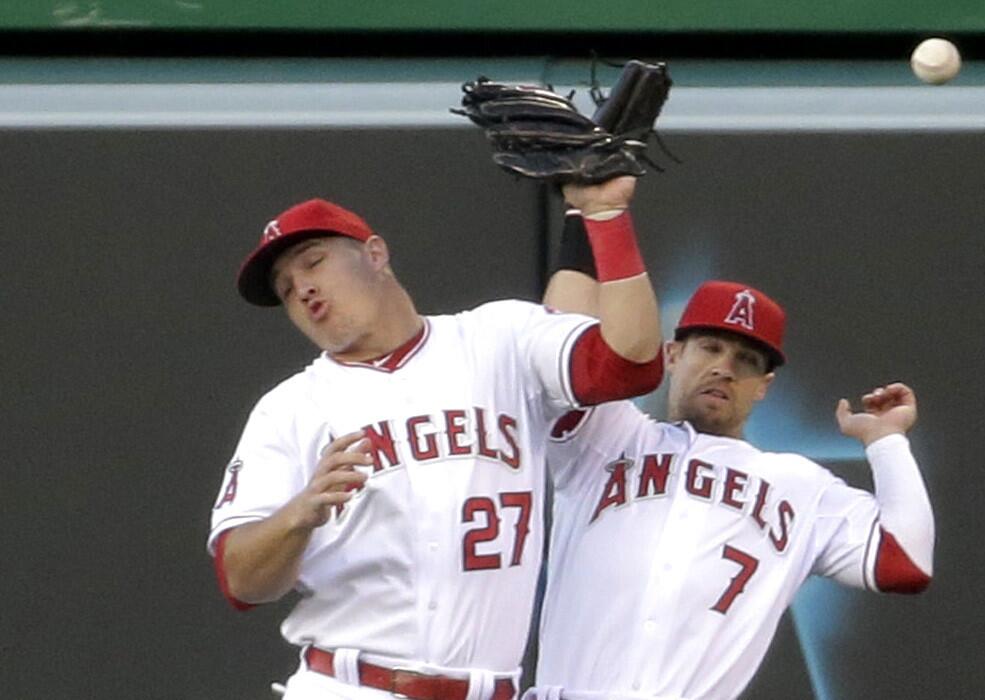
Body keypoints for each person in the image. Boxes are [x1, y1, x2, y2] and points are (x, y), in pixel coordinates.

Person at [207, 177, 664, 700]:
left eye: (313, 262)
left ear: (375, 253)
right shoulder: (289, 408)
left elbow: (630, 365)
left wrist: (605, 216)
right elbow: (240, 580)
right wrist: (299, 513)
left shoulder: (500, 339)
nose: (302, 288)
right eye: (286, 289)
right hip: (351, 686)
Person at [525, 212, 935, 699]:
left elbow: (905, 563)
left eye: (746, 361)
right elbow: (559, 344)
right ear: (673, 355)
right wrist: (590, 213)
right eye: (710, 348)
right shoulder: (609, 436)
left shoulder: (799, 486)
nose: (724, 368)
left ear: (764, 387)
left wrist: (887, 442)